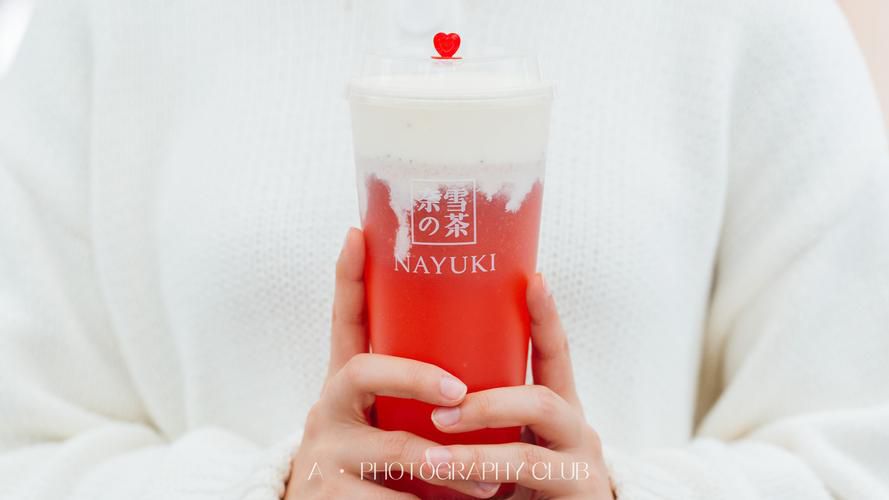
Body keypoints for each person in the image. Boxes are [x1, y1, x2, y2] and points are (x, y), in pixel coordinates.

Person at [1, 1, 888, 499]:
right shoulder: (107, 20)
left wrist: (618, 493)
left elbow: (859, 452)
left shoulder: (753, 18)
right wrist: (267, 489)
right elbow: (20, 454)